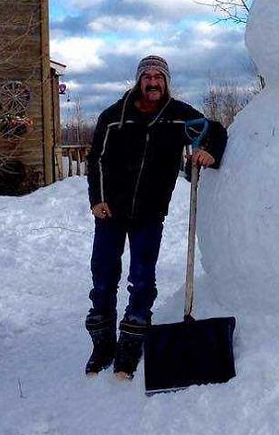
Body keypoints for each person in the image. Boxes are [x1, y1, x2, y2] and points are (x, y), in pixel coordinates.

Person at [84, 55, 228, 379]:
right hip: (110, 212)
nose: (153, 82)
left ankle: (130, 348)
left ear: (166, 82)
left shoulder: (177, 116)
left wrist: (210, 152)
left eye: (159, 77)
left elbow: (215, 131)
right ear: (138, 81)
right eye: (147, 76)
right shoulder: (113, 117)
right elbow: (97, 160)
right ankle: (102, 346)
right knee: (103, 278)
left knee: (142, 281)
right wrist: (97, 200)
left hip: (149, 214)